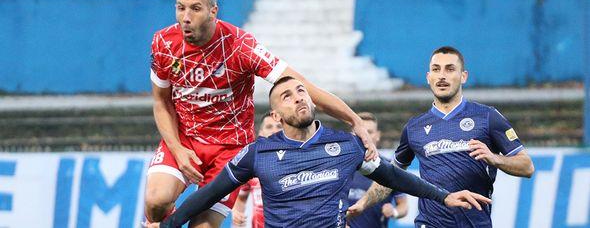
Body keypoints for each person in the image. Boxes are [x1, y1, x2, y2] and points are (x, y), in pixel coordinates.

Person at [144, 0, 379, 228]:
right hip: (184, 137)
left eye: (195, 8)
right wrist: (177, 149)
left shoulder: (240, 47)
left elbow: (304, 87)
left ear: (213, 11)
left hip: (229, 147)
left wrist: (354, 120)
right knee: (156, 201)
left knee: (202, 226)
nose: (185, 17)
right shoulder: (164, 43)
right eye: (180, 8)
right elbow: (161, 101)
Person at [147, 76, 492, 228]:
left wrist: (444, 196)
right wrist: (168, 224)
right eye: (287, 96)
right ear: (276, 115)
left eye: (302, 92)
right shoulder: (258, 153)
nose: (299, 97)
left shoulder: (345, 145)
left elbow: (392, 175)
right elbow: (208, 194)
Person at [348, 46, 535, 228]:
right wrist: (364, 203)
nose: (442, 76)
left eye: (450, 69)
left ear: (463, 76)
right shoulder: (414, 127)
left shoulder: (487, 117)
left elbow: (526, 166)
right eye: (436, 70)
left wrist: (494, 159)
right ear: (429, 77)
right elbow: (391, 176)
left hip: (475, 223)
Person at [346, 112, 408, 228]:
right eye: (360, 132)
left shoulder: (390, 169)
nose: (365, 136)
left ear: (378, 135)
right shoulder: (340, 167)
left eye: (369, 132)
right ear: (352, 134)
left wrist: (394, 211)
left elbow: (403, 206)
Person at [231, 112, 282, 228]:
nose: (274, 130)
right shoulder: (252, 166)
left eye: (279, 127)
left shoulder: (298, 163)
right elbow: (241, 197)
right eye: (269, 127)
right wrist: (236, 212)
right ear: (260, 133)